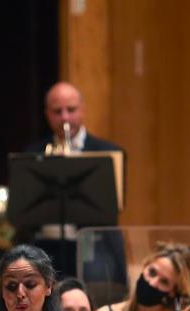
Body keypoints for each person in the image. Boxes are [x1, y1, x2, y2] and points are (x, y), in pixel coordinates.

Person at [23, 82, 125, 277]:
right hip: (44, 241)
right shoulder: (32, 153)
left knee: (98, 276)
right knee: (1, 277)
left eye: (71, 110)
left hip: (90, 241)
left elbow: (112, 210)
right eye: (57, 111)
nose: (65, 118)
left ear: (83, 110)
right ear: (47, 114)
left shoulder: (108, 153)